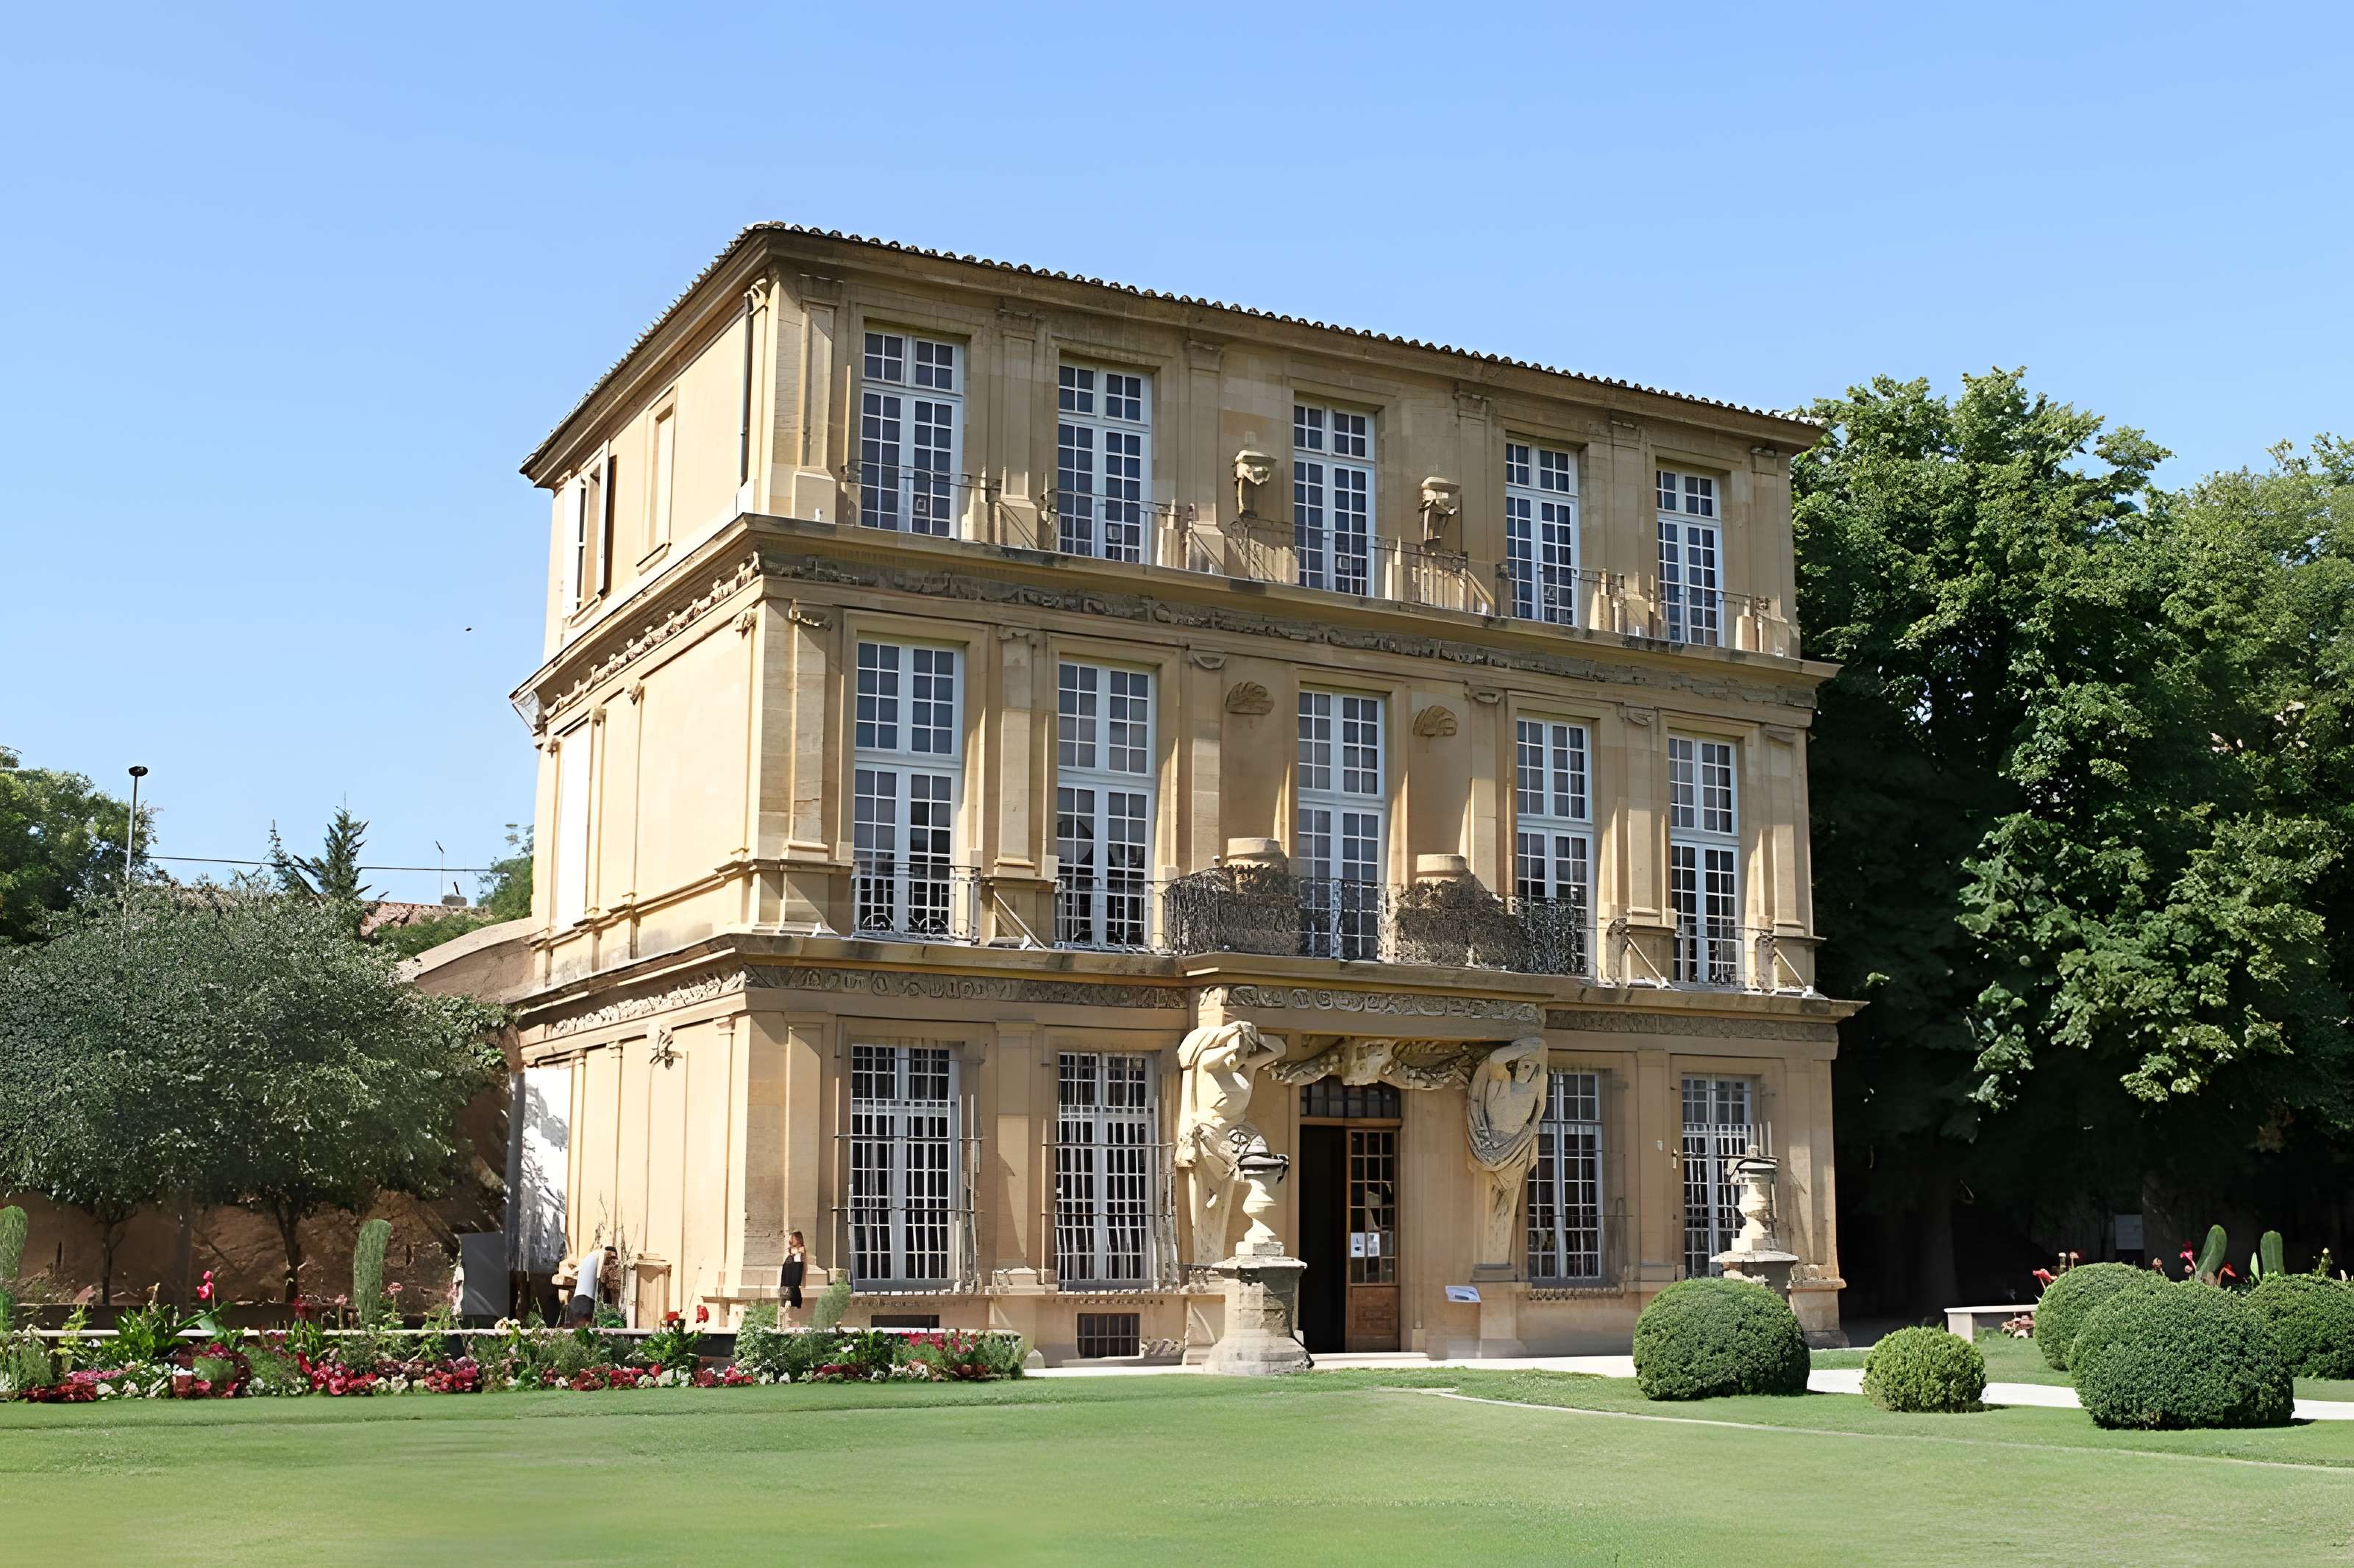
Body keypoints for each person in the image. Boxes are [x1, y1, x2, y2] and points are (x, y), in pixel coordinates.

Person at [780, 1231, 808, 1320]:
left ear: (799, 1239)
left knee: (795, 1296)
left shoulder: (801, 1250)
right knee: (786, 1296)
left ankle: (795, 1316)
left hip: (794, 1279)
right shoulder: (792, 1251)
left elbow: (803, 1267)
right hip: (787, 1280)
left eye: (793, 1239)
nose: (791, 1241)